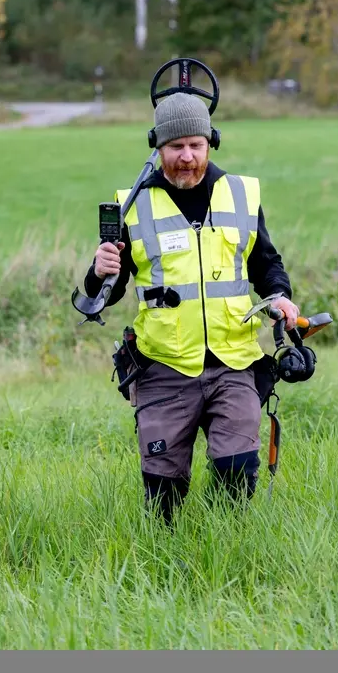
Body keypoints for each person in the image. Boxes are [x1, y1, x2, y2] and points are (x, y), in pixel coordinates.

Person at [83, 91, 300, 524]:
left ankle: (225, 545)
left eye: (195, 145)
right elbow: (105, 292)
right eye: (175, 146)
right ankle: (170, 560)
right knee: (163, 498)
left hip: (233, 360)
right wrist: (98, 270)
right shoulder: (134, 206)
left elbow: (266, 265)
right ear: (158, 147)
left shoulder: (241, 195)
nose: (186, 157)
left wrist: (279, 297)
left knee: (236, 471)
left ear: (210, 143)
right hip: (163, 365)